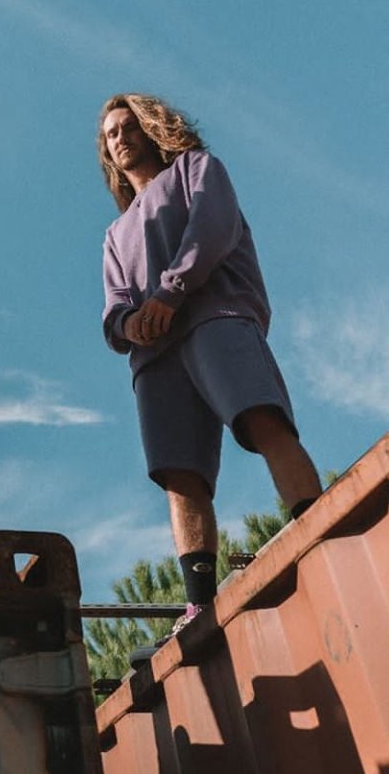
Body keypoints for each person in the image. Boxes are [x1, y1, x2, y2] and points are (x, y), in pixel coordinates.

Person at [98, 93, 322, 649]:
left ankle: (320, 529)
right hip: (155, 356)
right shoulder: (116, 233)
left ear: (151, 128)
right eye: (110, 134)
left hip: (213, 315)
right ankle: (198, 602)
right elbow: (114, 304)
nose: (120, 138)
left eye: (128, 126)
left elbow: (212, 229)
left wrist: (170, 292)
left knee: (262, 420)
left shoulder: (196, 170)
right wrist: (129, 324)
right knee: (180, 475)